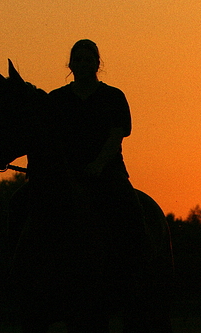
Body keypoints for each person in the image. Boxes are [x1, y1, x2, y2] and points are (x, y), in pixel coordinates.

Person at [48, 39, 149, 279]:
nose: (83, 64)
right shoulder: (55, 100)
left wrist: (98, 165)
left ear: (97, 63)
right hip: (67, 174)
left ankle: (140, 268)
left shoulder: (113, 97)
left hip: (107, 172)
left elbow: (116, 136)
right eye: (78, 60)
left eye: (88, 59)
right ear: (70, 64)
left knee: (131, 209)